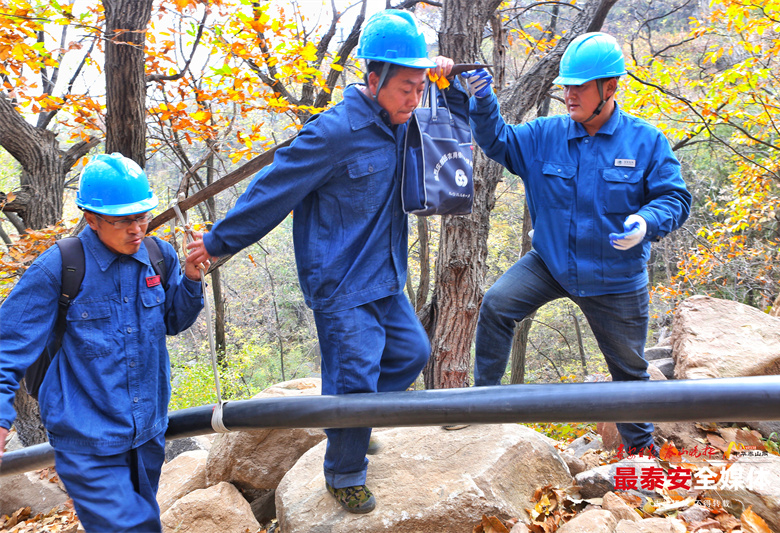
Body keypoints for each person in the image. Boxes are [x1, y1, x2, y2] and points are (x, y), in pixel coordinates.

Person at [186, 9, 468, 514]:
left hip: (384, 275)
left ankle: (349, 422)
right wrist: (218, 242)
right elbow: (272, 190)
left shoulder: (402, 118)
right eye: (406, 86)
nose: (415, 97)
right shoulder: (333, 133)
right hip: (339, 284)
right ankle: (344, 470)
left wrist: (439, 76)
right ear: (373, 78)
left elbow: (447, 121)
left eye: (420, 87)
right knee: (356, 374)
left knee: (410, 354)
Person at [460, 32, 691, 454]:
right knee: (496, 305)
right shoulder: (546, 134)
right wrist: (481, 101)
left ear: (610, 88)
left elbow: (675, 197)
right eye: (566, 86)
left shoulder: (645, 141)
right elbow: (498, 142)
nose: (569, 94)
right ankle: (482, 404)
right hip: (550, 262)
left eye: (579, 86)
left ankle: (641, 460)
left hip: (615, 277)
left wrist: (645, 221)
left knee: (630, 374)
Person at [0, 153, 206, 532]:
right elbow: (5, 347)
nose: (136, 229)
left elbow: (174, 321)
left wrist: (192, 280)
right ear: (91, 219)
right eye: (122, 220)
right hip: (87, 440)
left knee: (139, 521)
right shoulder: (60, 267)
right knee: (135, 528)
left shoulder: (160, 256)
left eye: (142, 217)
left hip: (146, 434)